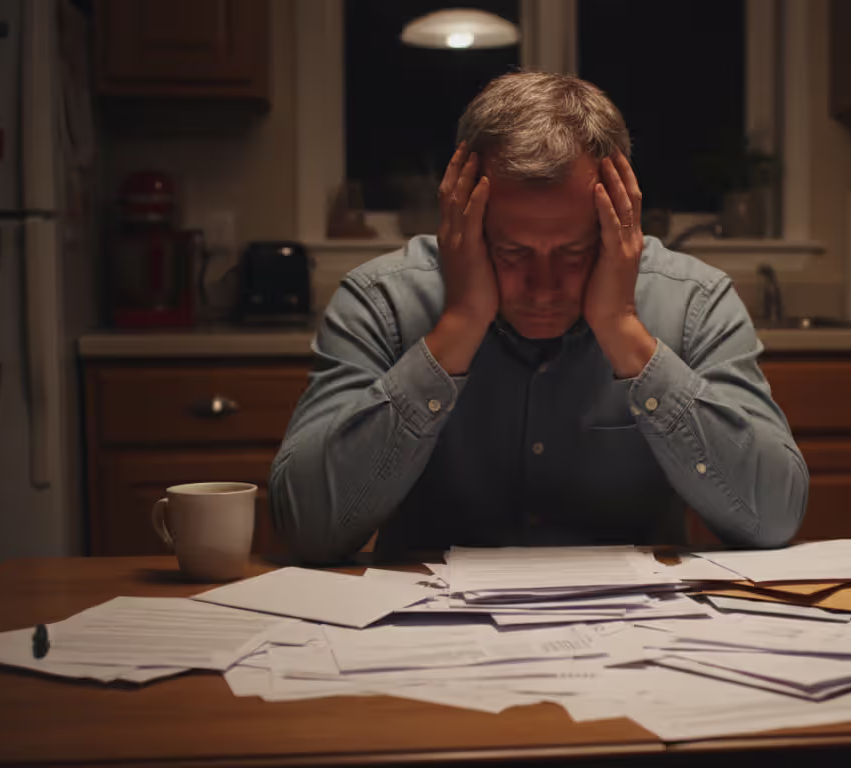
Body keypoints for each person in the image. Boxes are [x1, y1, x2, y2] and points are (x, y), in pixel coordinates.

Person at [270, 72, 807, 563]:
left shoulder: (695, 302)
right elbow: (307, 528)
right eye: (511, 252)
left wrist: (624, 330)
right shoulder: (380, 301)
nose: (544, 287)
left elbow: (773, 518)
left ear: (618, 221)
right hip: (426, 641)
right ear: (464, 217)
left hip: (636, 642)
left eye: (575, 253)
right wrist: (458, 324)